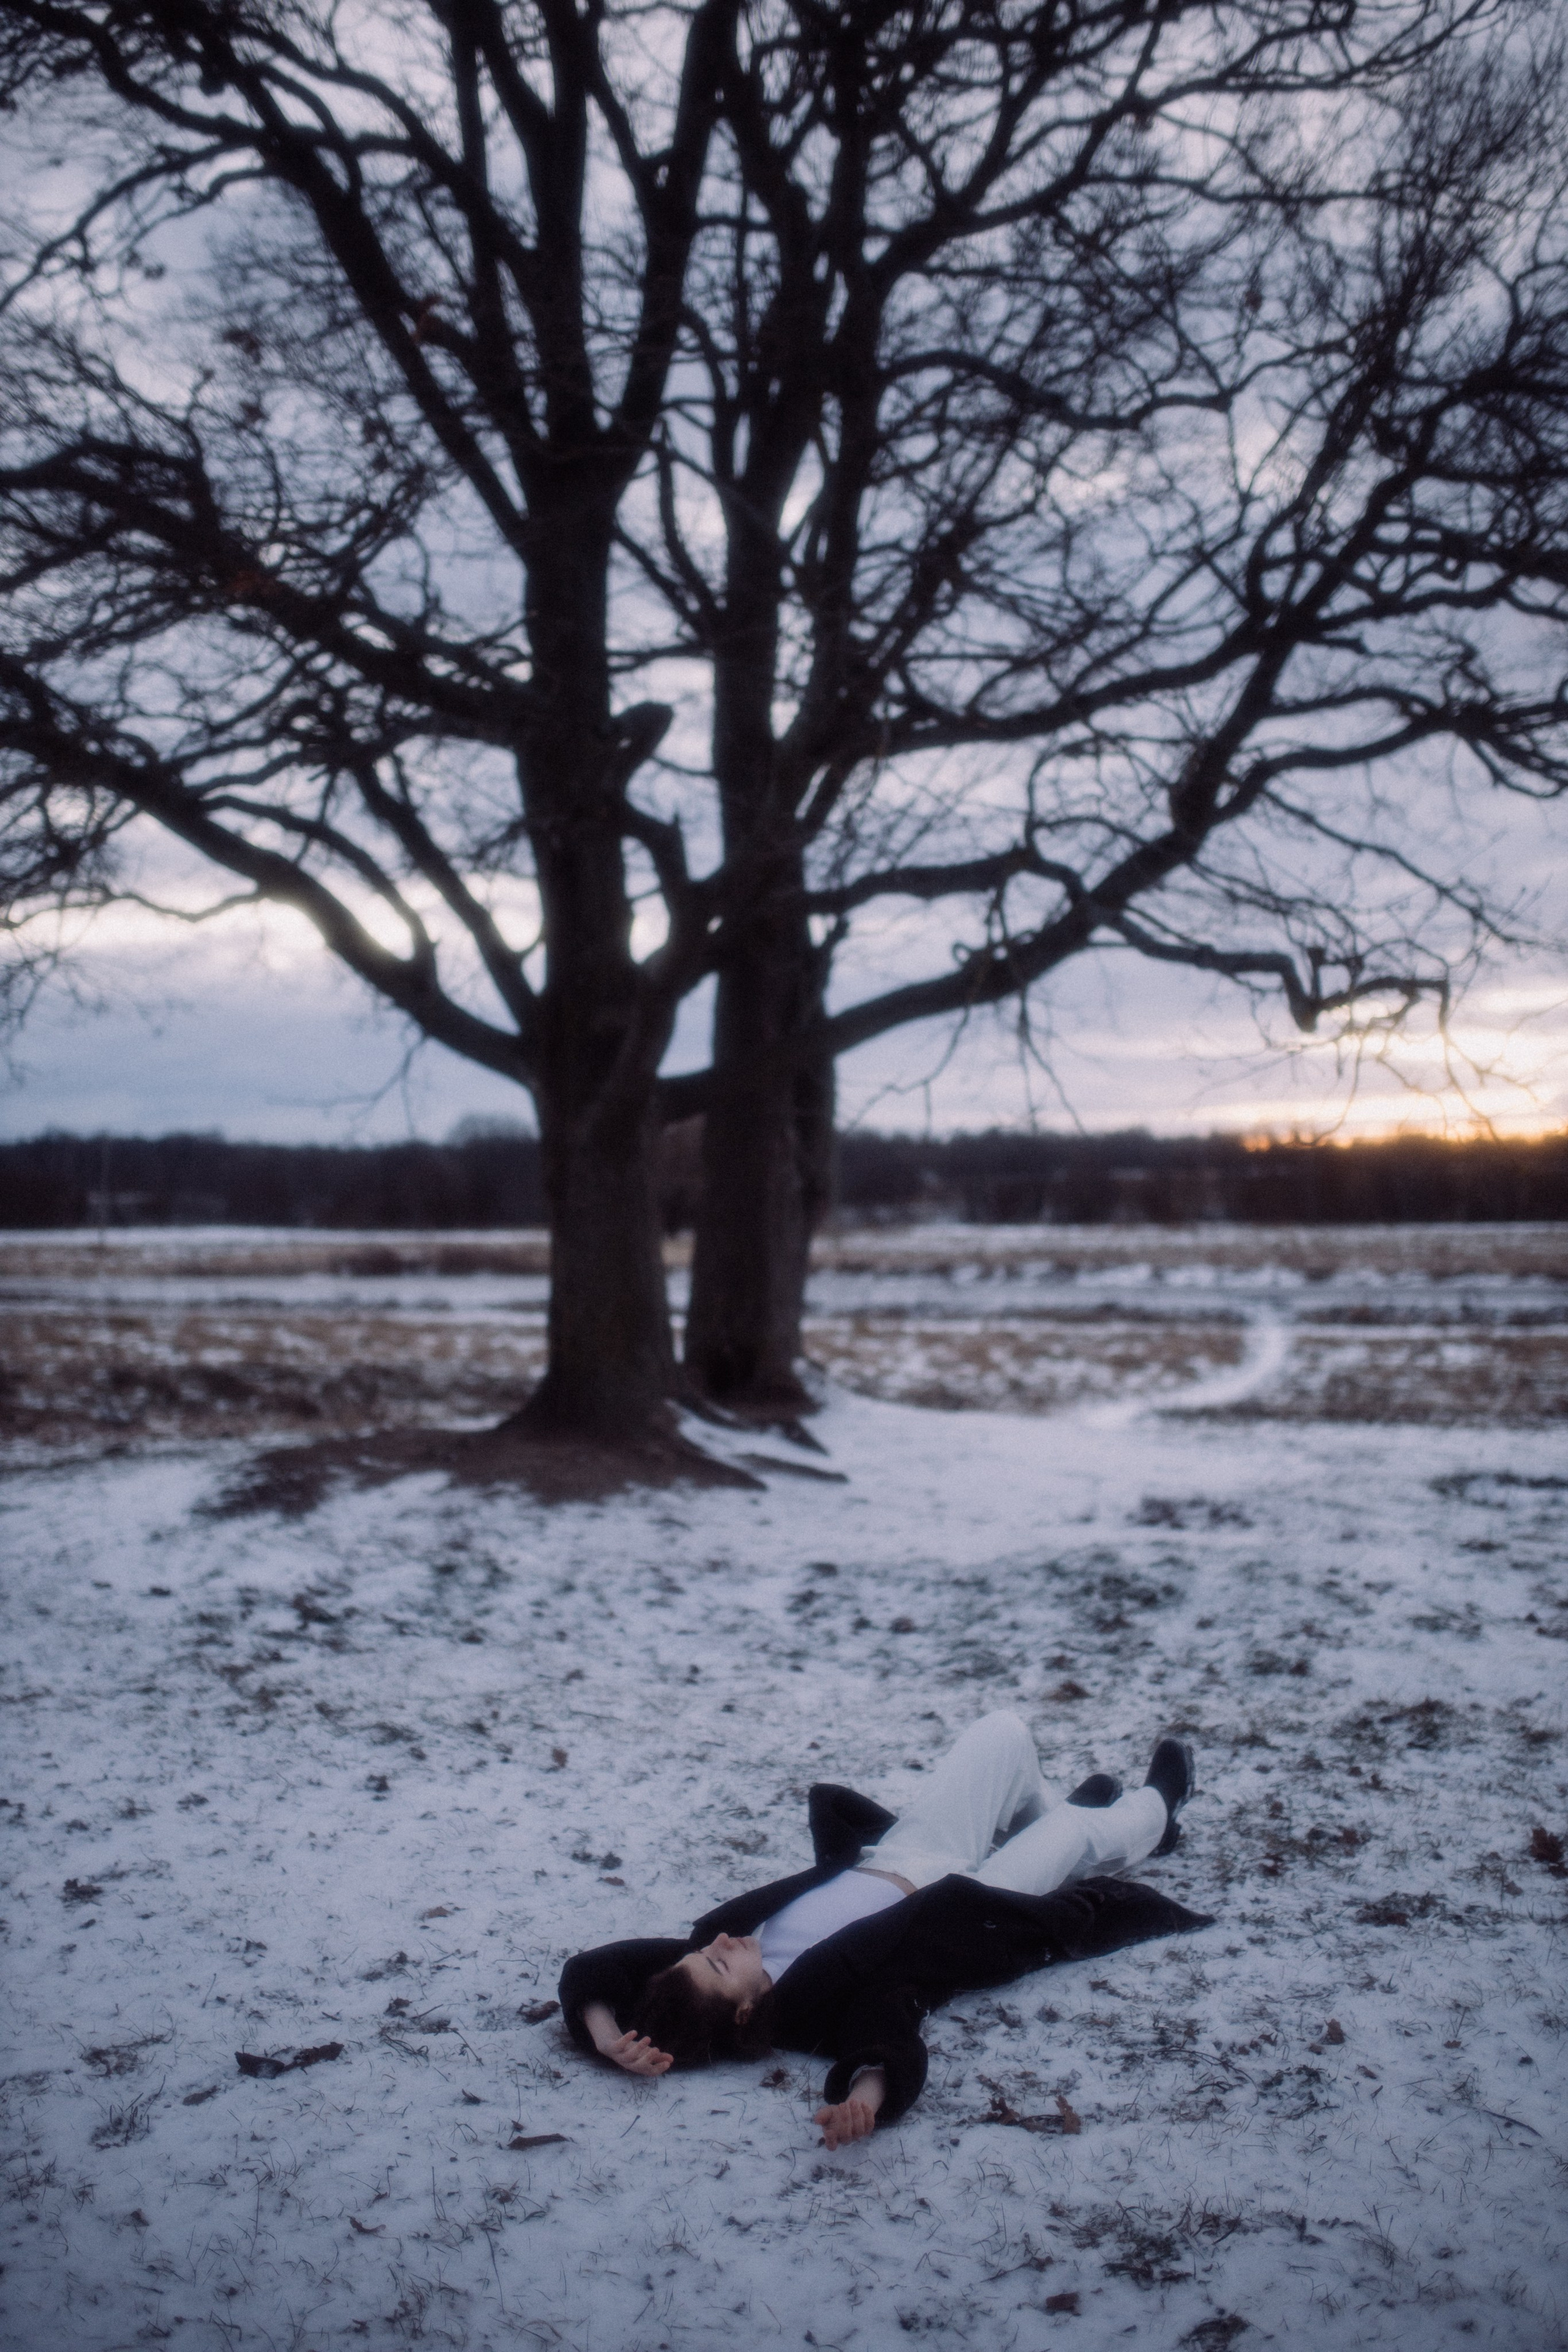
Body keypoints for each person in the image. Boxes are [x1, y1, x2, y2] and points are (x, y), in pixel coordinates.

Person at [559, 1711, 1205, 2146]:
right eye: (720, 1965)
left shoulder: (721, 1946)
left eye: (705, 1951)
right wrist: (865, 2099)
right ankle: (1155, 1812)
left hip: (904, 1855)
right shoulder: (818, 2008)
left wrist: (609, 2034)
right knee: (1077, 1835)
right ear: (745, 2011)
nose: (719, 1943)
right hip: (977, 1902)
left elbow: (599, 1969)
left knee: (1001, 1732)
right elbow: (885, 2039)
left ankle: (1042, 1813)